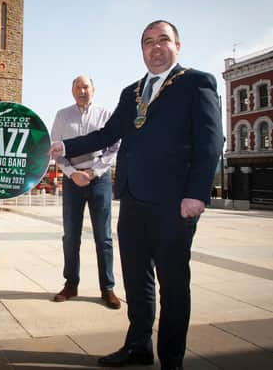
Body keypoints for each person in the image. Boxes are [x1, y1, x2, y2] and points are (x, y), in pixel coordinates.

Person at [50, 20, 222, 370]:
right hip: (132, 201)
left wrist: (197, 194)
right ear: (141, 50)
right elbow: (107, 134)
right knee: (137, 279)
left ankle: (172, 359)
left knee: (173, 286)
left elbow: (210, 141)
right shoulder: (131, 92)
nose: (155, 47)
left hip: (175, 204)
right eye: (147, 42)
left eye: (163, 40)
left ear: (178, 45)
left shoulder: (195, 82)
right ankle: (138, 345)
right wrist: (64, 145)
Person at [50, 75, 121, 309]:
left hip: (99, 180)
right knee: (71, 236)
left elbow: (113, 148)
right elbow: (56, 151)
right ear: (72, 90)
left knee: (104, 237)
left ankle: (107, 288)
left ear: (94, 89)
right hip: (72, 181)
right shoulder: (62, 116)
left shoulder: (105, 114)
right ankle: (71, 284)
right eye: (78, 87)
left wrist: (93, 173)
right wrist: (72, 173)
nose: (82, 90)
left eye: (86, 86)